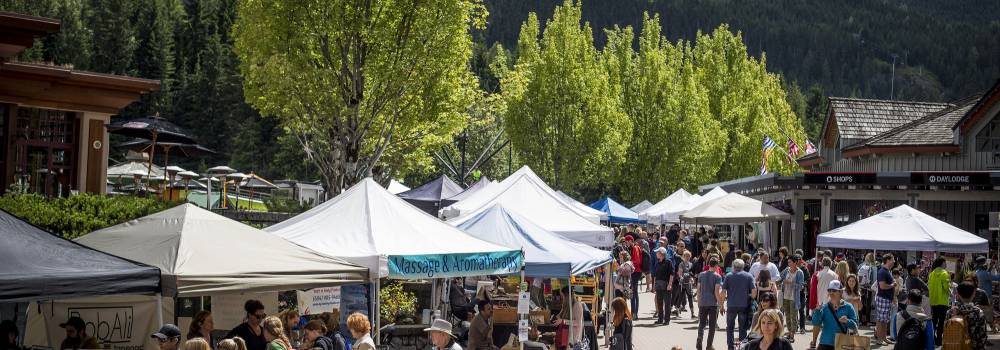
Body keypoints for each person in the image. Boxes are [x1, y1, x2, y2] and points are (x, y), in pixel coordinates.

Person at [810, 280, 859, 350]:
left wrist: (847, 321)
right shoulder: (824, 307)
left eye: (834, 290)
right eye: (829, 290)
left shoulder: (848, 307)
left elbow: (855, 325)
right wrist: (817, 311)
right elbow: (816, 323)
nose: (831, 293)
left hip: (841, 344)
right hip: (825, 343)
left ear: (841, 292)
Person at [722, 259, 755, 350]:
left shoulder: (728, 276)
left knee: (730, 327)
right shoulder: (748, 276)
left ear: (733, 266)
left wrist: (721, 305)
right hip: (744, 305)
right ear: (743, 266)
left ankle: (730, 347)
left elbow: (723, 292)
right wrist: (749, 297)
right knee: (743, 328)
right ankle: (742, 347)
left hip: (731, 305)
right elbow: (754, 293)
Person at [696, 255, 725, 350]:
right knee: (712, 326)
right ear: (716, 265)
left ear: (709, 265)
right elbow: (716, 292)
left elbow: (698, 289)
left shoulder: (701, 275)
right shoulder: (717, 276)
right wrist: (721, 305)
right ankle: (709, 345)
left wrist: (699, 301)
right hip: (713, 304)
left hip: (703, 302)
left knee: (702, 324)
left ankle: (699, 340)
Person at [950, 282, 987, 350]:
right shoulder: (978, 312)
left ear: (958, 294)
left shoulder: (951, 312)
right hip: (973, 347)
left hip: (955, 347)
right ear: (973, 294)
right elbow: (983, 335)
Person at [810, 257, 838, 347]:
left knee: (817, 324)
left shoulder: (817, 274)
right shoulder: (835, 275)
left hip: (819, 303)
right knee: (829, 324)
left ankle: (814, 341)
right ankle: (829, 343)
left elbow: (813, 290)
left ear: (821, 264)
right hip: (831, 302)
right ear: (831, 264)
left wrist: (812, 304)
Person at [778, 255, 803, 342]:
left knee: (793, 316)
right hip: (785, 296)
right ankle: (789, 332)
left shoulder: (799, 272)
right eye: (788, 262)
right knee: (787, 315)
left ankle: (792, 333)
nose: (788, 263)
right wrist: (783, 281)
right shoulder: (787, 270)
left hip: (794, 297)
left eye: (790, 262)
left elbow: (800, 286)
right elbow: (780, 277)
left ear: (795, 262)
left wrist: (792, 283)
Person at [873, 254, 897, 346]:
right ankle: (880, 339)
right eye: (893, 259)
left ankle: (883, 338)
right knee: (881, 320)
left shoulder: (886, 271)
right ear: (888, 260)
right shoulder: (883, 271)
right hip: (883, 298)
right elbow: (882, 286)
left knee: (884, 319)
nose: (894, 261)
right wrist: (892, 285)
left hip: (885, 298)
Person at [927, 257, 951, 346]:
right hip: (943, 301)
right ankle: (939, 341)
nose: (946, 264)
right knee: (941, 322)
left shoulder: (931, 274)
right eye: (945, 262)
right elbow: (946, 288)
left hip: (933, 301)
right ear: (942, 263)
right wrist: (951, 288)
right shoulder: (944, 273)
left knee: (934, 321)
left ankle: (932, 339)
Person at [973, 256, 999, 332]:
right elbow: (997, 278)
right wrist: (998, 270)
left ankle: (992, 328)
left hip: (977, 297)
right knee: (989, 313)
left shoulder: (976, 273)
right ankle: (992, 329)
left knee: (981, 314)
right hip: (986, 297)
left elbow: (986, 274)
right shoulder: (985, 274)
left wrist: (990, 268)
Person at [654, 247, 676, 325]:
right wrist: (654, 285)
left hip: (666, 285)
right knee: (659, 302)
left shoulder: (668, 262)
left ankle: (667, 320)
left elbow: (672, 274)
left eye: (657, 252)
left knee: (667, 303)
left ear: (662, 254)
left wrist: (670, 284)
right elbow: (655, 275)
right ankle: (660, 319)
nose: (656, 254)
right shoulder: (657, 263)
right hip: (658, 285)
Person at [857, 253, 877, 326]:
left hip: (861, 287)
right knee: (868, 303)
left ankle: (860, 319)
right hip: (871, 288)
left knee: (860, 302)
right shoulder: (875, 267)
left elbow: (858, 276)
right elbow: (875, 279)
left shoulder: (861, 265)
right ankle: (868, 320)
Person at [626, 235, 644, 313]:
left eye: (627, 242)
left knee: (634, 292)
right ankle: (634, 311)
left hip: (636, 272)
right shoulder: (634, 247)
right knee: (634, 292)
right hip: (635, 272)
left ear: (630, 241)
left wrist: (628, 262)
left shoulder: (635, 247)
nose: (626, 243)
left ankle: (634, 312)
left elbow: (637, 261)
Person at [679, 251, 696, 319]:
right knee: (680, 298)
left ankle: (692, 314)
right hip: (683, 283)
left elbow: (692, 273)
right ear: (683, 256)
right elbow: (680, 273)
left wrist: (692, 278)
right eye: (686, 256)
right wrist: (681, 277)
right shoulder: (681, 264)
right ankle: (678, 311)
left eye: (688, 256)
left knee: (690, 298)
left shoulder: (691, 264)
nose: (687, 257)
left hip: (689, 283)